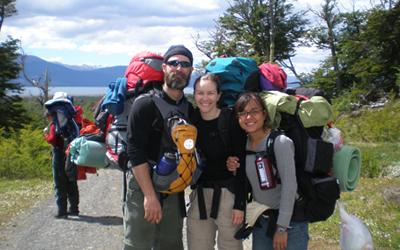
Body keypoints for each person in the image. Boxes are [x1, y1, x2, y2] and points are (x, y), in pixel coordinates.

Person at [124, 45, 194, 250]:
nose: (179, 68)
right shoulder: (144, 104)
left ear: (190, 70)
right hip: (143, 186)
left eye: (185, 64)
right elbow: (134, 151)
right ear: (164, 68)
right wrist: (149, 196)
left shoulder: (189, 109)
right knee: (138, 245)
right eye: (174, 63)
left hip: (174, 186)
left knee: (170, 245)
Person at [228, 92, 309, 250]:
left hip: (290, 222)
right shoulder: (244, 145)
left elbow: (290, 186)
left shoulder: (280, 142)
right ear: (238, 118)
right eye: (243, 113)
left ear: (264, 114)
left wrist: (282, 227)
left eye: (254, 111)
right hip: (263, 219)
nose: (249, 117)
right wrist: (232, 166)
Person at [186, 73, 246, 250]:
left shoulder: (230, 120)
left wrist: (240, 205)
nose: (205, 98)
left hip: (229, 195)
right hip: (200, 195)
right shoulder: (192, 120)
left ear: (219, 95)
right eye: (200, 93)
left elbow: (242, 163)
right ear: (194, 94)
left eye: (210, 93)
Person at [44, 93, 80, 219]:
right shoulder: (71, 119)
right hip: (70, 151)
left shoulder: (56, 124)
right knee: (71, 180)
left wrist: (46, 137)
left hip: (59, 153)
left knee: (59, 182)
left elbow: (53, 139)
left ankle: (62, 211)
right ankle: (74, 208)